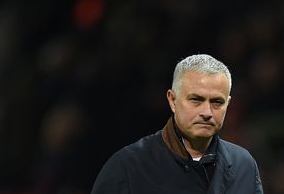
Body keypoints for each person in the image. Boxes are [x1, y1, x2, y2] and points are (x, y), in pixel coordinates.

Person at [91, 54, 263, 194]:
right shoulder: (128, 167)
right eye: (196, 99)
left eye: (217, 102)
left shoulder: (244, 165)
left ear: (228, 104)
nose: (207, 112)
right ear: (172, 100)